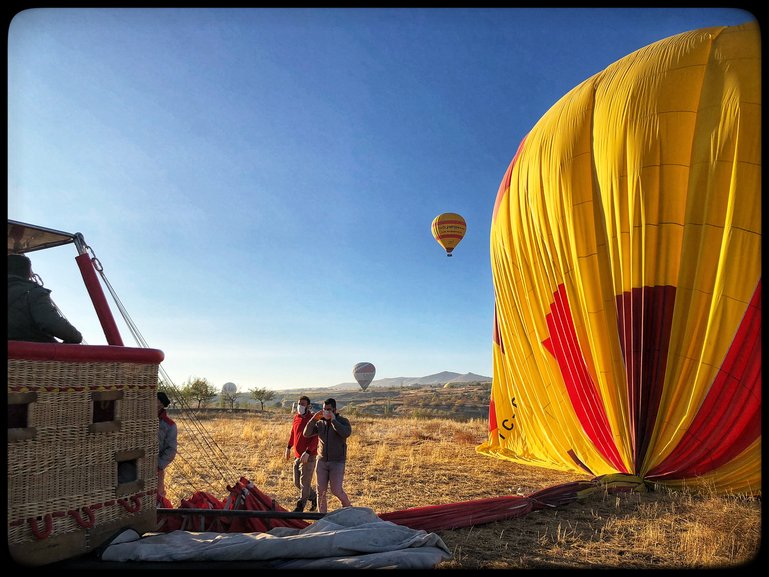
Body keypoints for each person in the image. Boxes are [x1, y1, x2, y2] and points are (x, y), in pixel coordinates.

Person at [8, 253, 83, 343]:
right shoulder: (33, 292)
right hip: (30, 352)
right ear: (28, 273)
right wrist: (76, 336)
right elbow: (51, 322)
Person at [303, 397, 352, 513]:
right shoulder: (320, 423)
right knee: (321, 492)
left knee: (336, 490)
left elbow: (346, 433)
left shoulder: (343, 421)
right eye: (324, 409)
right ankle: (322, 518)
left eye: (329, 409)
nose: (326, 412)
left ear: (335, 410)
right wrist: (314, 419)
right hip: (322, 461)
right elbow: (306, 433)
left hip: (337, 462)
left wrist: (334, 421)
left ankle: (349, 510)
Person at [284, 395, 319, 512]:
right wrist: (288, 447)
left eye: (303, 404)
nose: (300, 406)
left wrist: (308, 452)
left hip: (308, 456)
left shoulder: (313, 419)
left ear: (308, 406)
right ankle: (314, 497)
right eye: (299, 404)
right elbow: (293, 433)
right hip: (297, 455)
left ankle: (300, 506)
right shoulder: (296, 418)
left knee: (304, 483)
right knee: (297, 483)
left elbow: (316, 438)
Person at [157, 391, 178, 502]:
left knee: (158, 495)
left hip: (156, 467)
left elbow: (171, 449)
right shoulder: (139, 420)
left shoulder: (169, 425)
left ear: (160, 403)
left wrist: (159, 465)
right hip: (137, 466)